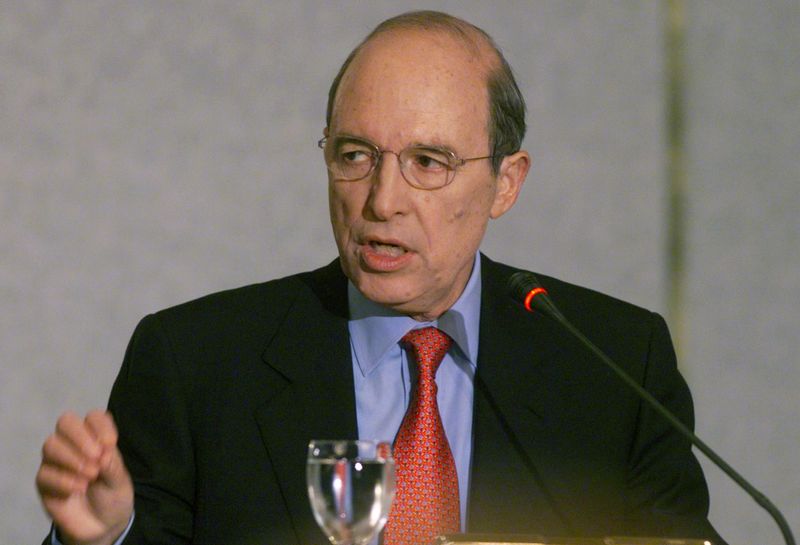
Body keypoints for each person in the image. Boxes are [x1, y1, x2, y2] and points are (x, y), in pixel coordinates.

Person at [36, 10, 725, 545]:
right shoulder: (195, 362)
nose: (382, 200)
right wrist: (104, 536)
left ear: (505, 183)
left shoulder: (613, 366)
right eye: (355, 154)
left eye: (428, 161)